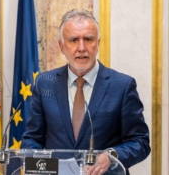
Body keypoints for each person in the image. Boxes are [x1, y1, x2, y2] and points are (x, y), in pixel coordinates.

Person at [21, 9, 150, 175]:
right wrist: (36, 161)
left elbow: (140, 142)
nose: (81, 48)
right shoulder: (44, 83)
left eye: (88, 39)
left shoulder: (123, 86)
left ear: (98, 43)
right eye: (73, 40)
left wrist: (111, 156)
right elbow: (32, 139)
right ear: (61, 46)